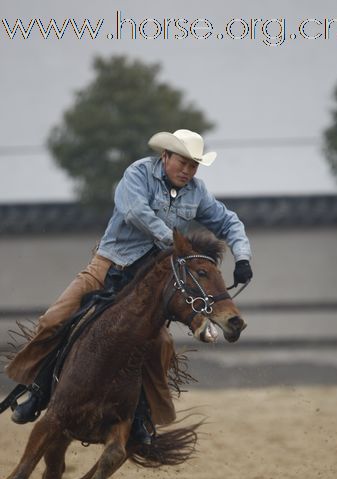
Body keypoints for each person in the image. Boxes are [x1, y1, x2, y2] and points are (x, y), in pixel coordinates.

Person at [6, 129, 253, 441]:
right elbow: (135, 212)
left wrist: (242, 257)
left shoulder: (197, 192)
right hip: (109, 265)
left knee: (160, 346)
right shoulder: (137, 174)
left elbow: (229, 222)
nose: (187, 171)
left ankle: (142, 416)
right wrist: (175, 244)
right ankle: (38, 392)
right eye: (183, 163)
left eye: (194, 166)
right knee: (55, 319)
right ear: (165, 156)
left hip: (146, 284)